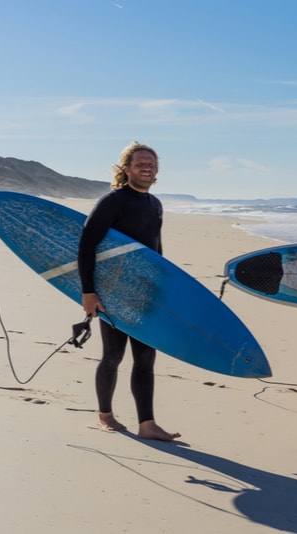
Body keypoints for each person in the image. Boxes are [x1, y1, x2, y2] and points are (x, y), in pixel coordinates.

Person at [78, 142, 180, 441]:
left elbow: (155, 252)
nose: (146, 166)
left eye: (150, 163)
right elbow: (86, 245)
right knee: (112, 356)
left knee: (146, 359)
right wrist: (88, 292)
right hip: (114, 292)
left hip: (145, 294)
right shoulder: (113, 201)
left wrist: (163, 286)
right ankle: (105, 415)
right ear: (127, 169)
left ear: (156, 170)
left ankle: (147, 424)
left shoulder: (155, 204)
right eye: (140, 163)